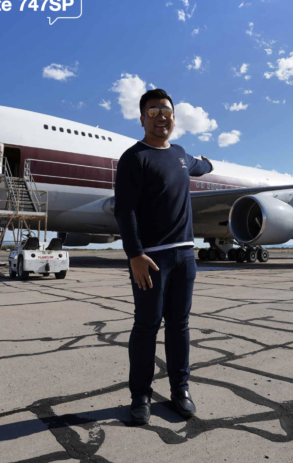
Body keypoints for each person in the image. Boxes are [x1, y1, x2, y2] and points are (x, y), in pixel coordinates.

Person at [113, 89, 213, 425]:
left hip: (185, 256)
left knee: (179, 326)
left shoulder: (181, 154)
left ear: (173, 117)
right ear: (142, 118)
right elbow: (124, 210)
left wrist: (209, 163)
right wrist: (135, 254)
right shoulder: (134, 157)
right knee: (146, 326)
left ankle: (180, 391)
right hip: (152, 259)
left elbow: (200, 166)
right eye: (153, 111)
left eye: (166, 111)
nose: (161, 116)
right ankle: (140, 395)